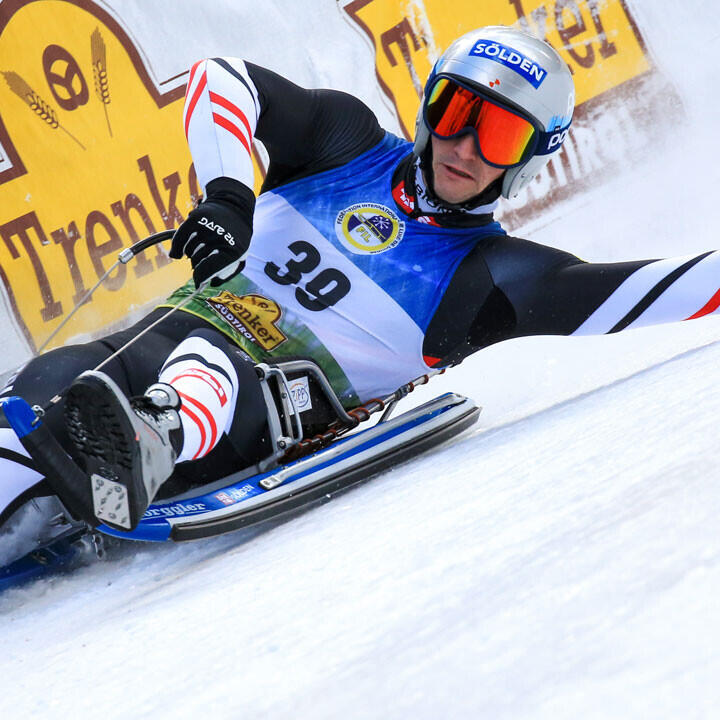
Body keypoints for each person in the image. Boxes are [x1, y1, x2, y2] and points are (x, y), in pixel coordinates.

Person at [2, 26, 720, 534]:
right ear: (428, 103)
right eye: (455, 110)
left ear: (530, 158)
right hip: (142, 352)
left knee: (208, 364)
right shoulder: (342, 141)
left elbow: (671, 289)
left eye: (498, 134)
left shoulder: (495, 277)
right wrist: (228, 197)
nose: (464, 145)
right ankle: (87, 454)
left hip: (260, 411)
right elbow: (221, 78)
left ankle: (154, 434)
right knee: (46, 386)